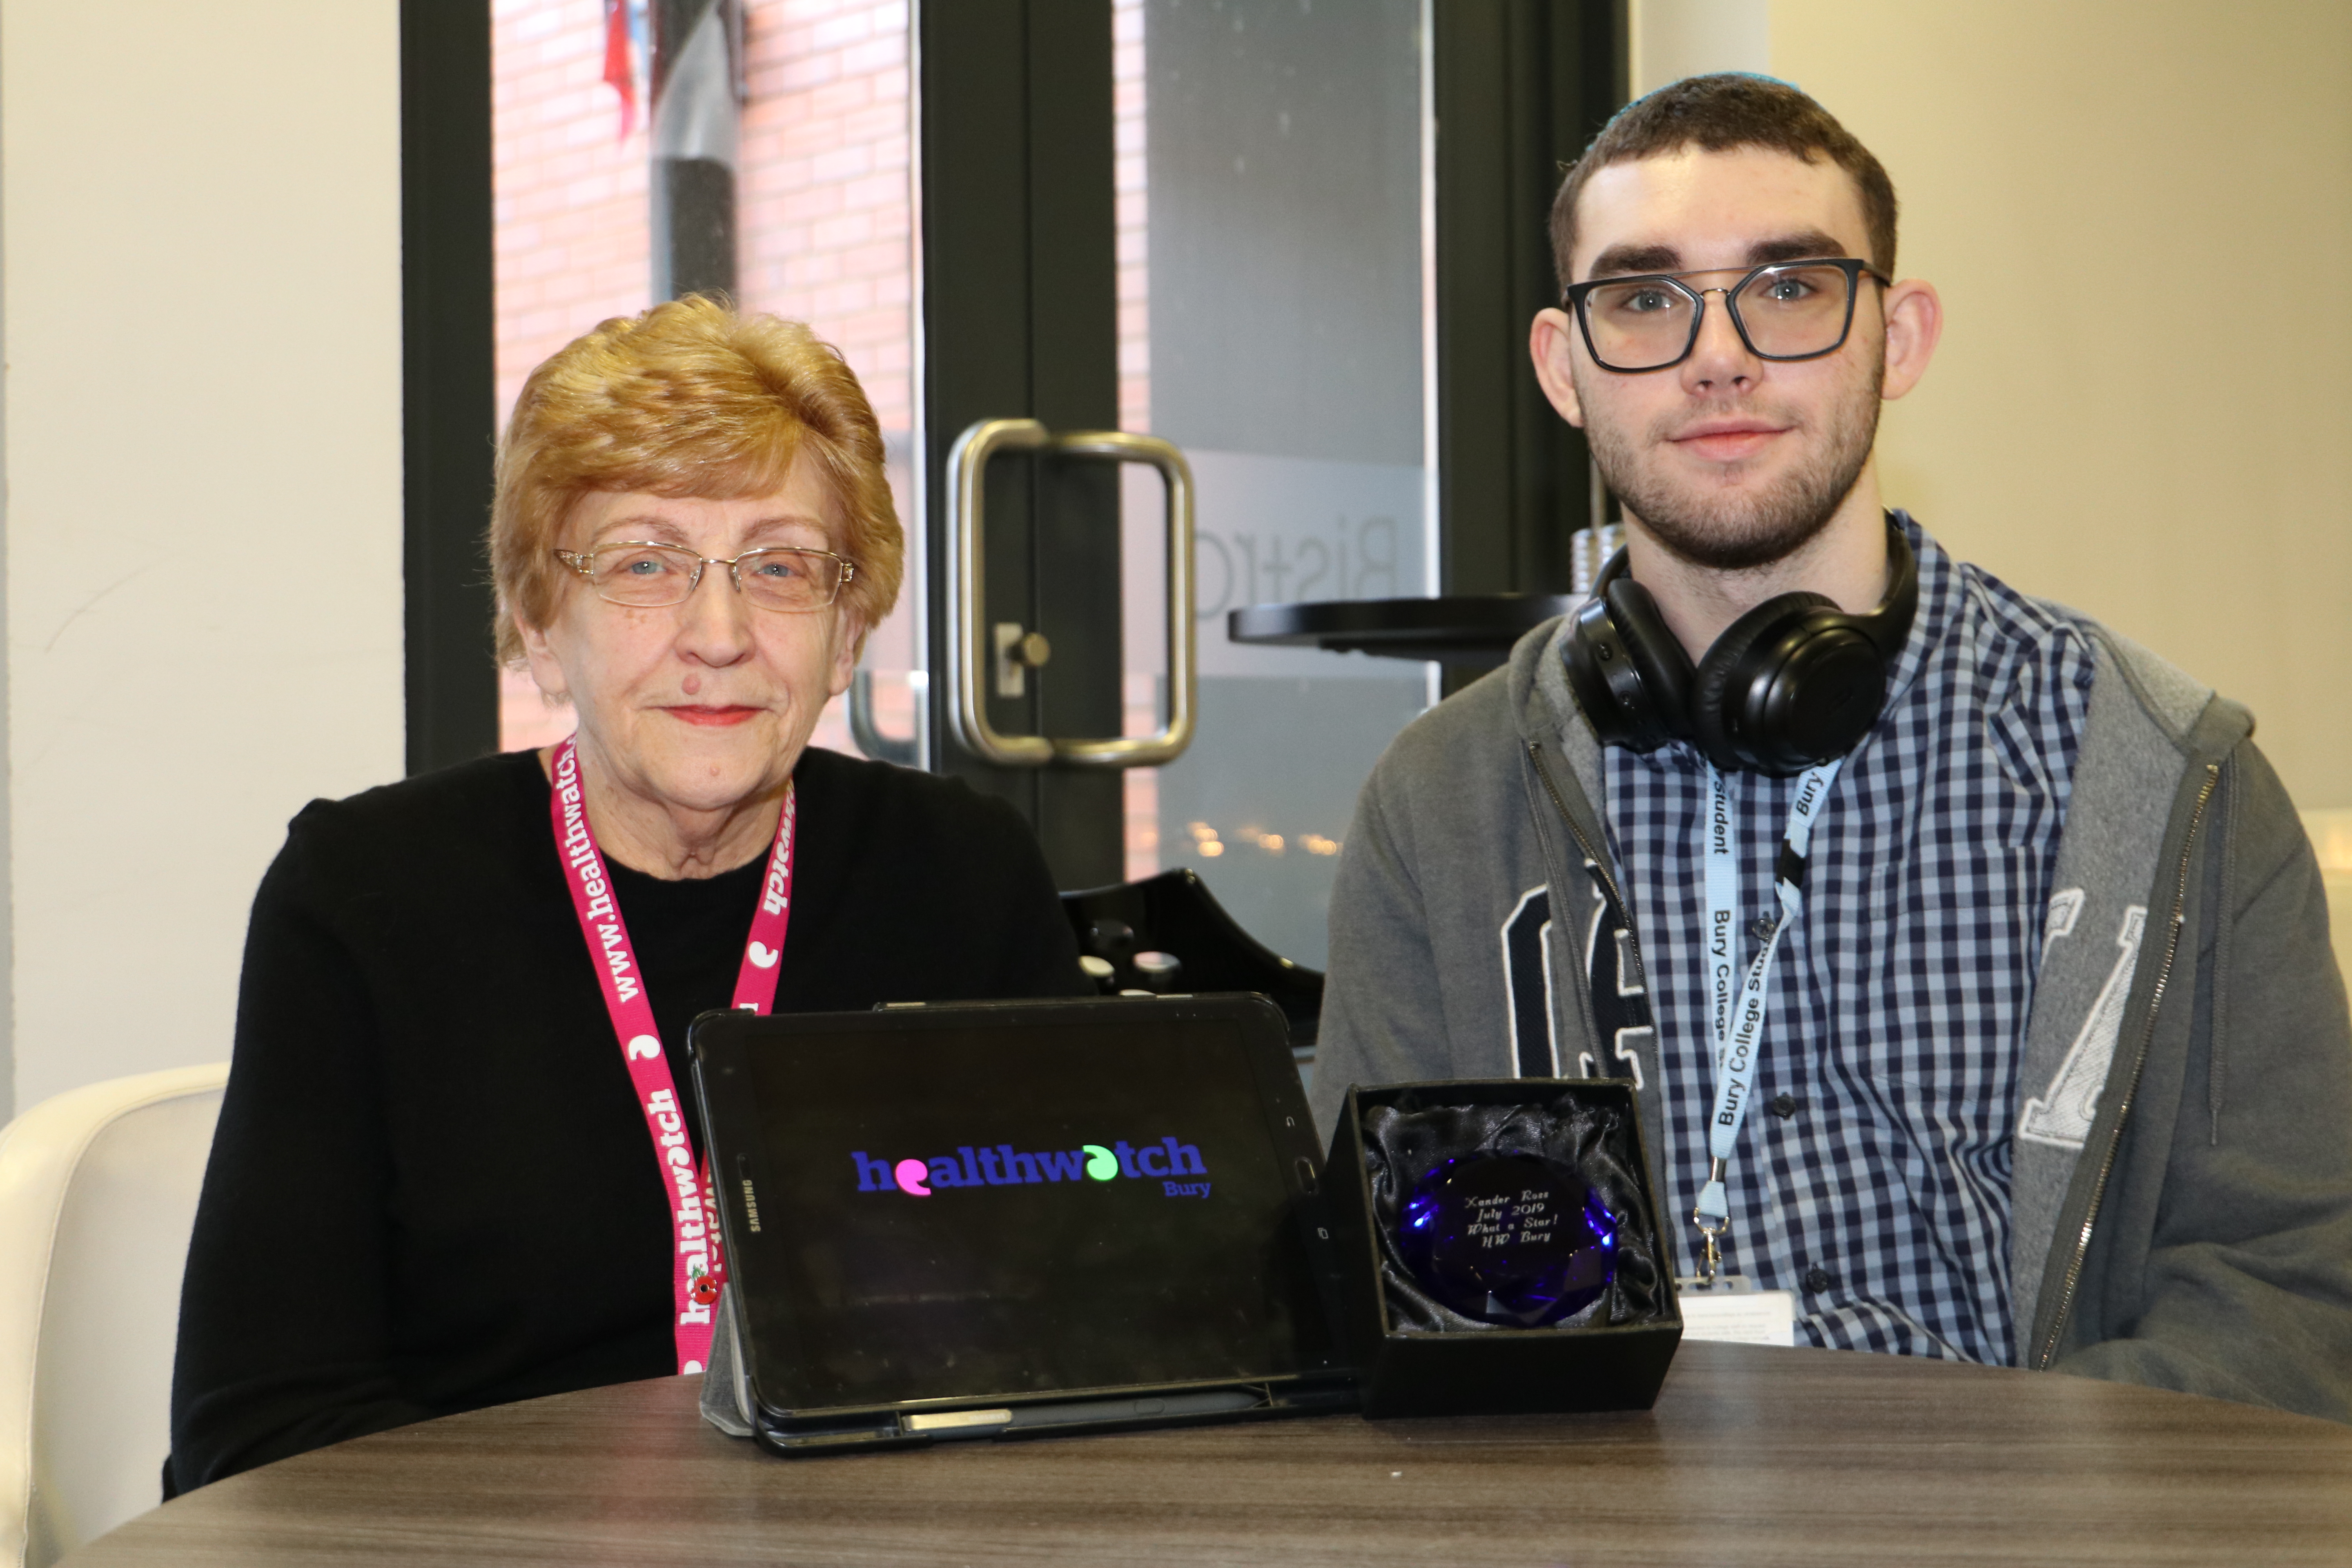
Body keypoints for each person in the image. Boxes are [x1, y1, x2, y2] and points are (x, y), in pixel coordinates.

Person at [1312, 74, 2352, 1417]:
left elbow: (2293, 1288)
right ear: (1564, 370)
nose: (1718, 356)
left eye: (1789, 288)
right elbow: (1382, 1302)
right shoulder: (1443, 804)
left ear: (1897, 337)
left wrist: (1989, 1506)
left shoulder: (2160, 774)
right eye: (1643, 299)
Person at [169, 297, 1091, 1491]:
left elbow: (1090, 1335)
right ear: (539, 625)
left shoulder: (963, 875)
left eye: (779, 566)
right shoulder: (368, 895)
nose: (719, 633)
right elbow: (260, 1428)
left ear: (850, 631)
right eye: (645, 564)